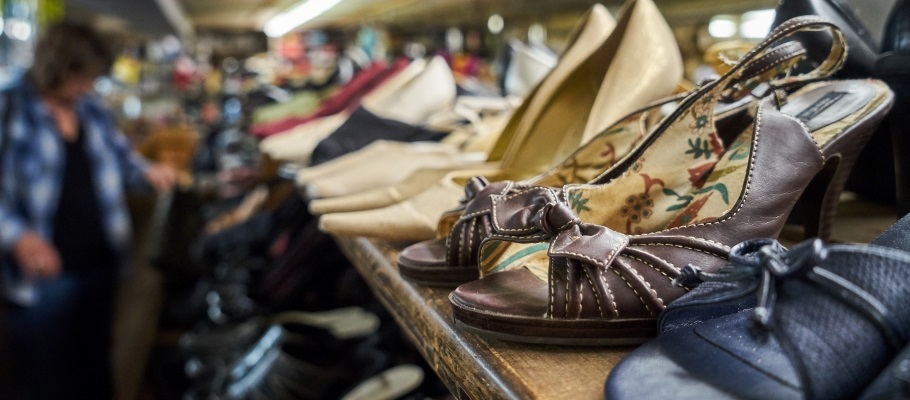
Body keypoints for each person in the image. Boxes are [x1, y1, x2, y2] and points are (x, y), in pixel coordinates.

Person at [0, 22, 177, 399]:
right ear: (57, 66)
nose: (88, 86)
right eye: (81, 76)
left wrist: (149, 173)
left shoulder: (91, 110)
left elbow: (122, 162)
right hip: (42, 279)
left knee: (94, 366)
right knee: (45, 377)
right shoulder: (9, 108)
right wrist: (18, 236)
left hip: (101, 263)